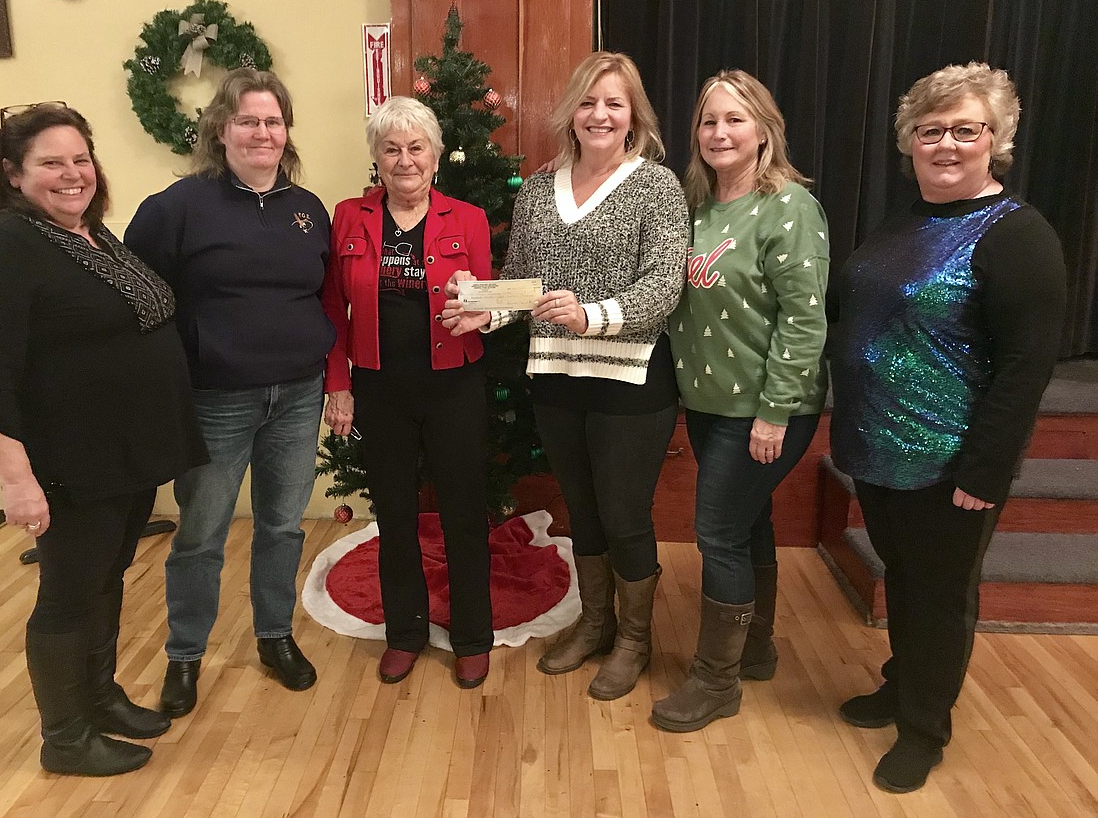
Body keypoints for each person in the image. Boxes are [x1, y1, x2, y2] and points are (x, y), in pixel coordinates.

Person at [829, 62, 1066, 793]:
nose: (947, 144)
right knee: (904, 581)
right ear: (911, 142)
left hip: (948, 462)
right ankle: (902, 684)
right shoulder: (906, 219)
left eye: (966, 129)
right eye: (931, 130)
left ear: (996, 139)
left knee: (940, 595)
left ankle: (925, 727)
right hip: (877, 448)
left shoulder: (1018, 236)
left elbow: (1024, 370)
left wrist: (984, 473)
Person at [0, 103, 207, 776]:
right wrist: (15, 478)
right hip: (73, 462)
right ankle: (65, 735)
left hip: (124, 456)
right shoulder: (6, 245)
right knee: (68, 592)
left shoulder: (89, 234)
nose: (72, 174)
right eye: (51, 163)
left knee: (104, 579)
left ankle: (100, 696)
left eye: (80, 159)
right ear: (11, 173)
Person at [444, 52, 688, 701]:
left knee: (625, 514)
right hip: (555, 377)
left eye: (614, 102)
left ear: (633, 114)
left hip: (632, 381)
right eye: (588, 102)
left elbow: (665, 285)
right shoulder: (538, 189)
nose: (600, 114)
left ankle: (635, 639)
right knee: (581, 508)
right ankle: (596, 621)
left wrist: (592, 315)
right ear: (571, 114)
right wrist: (481, 310)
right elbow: (523, 282)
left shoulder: (656, 186)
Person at [125, 69, 335, 715]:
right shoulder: (177, 208)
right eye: (248, 121)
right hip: (216, 400)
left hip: (298, 397)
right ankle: (184, 654)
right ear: (221, 129)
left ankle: (274, 636)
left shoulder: (308, 210)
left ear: (286, 132)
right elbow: (137, 294)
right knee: (203, 530)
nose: (262, 133)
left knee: (280, 524)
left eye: (273, 121)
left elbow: (322, 294)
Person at [649, 71, 830, 733]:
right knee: (749, 523)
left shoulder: (788, 207)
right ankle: (756, 646)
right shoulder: (694, 207)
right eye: (708, 121)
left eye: (734, 119)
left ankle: (714, 679)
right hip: (708, 404)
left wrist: (775, 410)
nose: (719, 132)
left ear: (764, 130)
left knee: (718, 530)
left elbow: (804, 321)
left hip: (765, 406)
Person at [321, 96, 494, 689]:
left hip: (454, 387)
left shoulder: (466, 219)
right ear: (376, 157)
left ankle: (472, 636)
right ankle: (405, 633)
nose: (404, 159)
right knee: (394, 515)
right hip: (380, 389)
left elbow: (489, 300)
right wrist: (339, 385)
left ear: (436, 155)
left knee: (463, 515)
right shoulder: (348, 217)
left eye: (416, 147)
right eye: (391, 148)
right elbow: (332, 311)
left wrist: (483, 316)